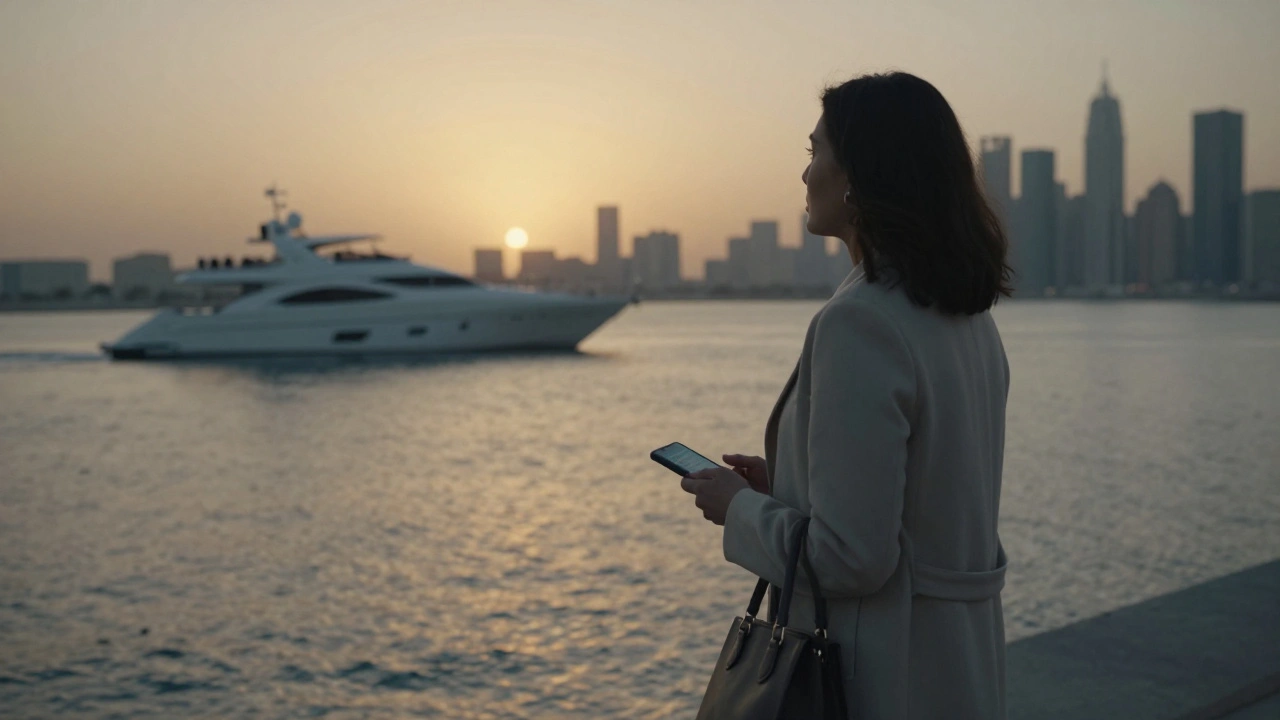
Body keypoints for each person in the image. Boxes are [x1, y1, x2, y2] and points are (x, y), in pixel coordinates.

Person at [679, 71, 1014, 719]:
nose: (805, 176)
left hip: (882, 679)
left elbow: (852, 559)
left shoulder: (860, 321)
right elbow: (926, 502)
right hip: (960, 670)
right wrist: (786, 488)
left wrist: (740, 511)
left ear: (858, 173)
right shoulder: (967, 316)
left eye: (814, 154)